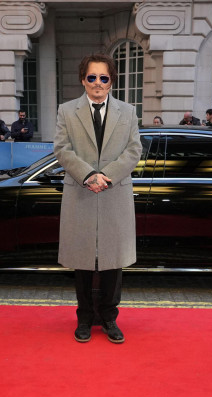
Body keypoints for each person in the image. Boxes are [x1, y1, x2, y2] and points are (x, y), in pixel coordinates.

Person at [53, 53, 142, 344]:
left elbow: (133, 150)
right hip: (81, 192)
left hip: (114, 193)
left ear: (111, 81)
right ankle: (84, 319)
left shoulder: (128, 112)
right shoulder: (67, 111)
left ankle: (109, 319)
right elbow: (62, 149)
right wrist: (89, 174)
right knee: (82, 262)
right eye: (92, 77)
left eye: (104, 78)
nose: (98, 83)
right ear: (83, 80)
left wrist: (107, 176)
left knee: (112, 264)